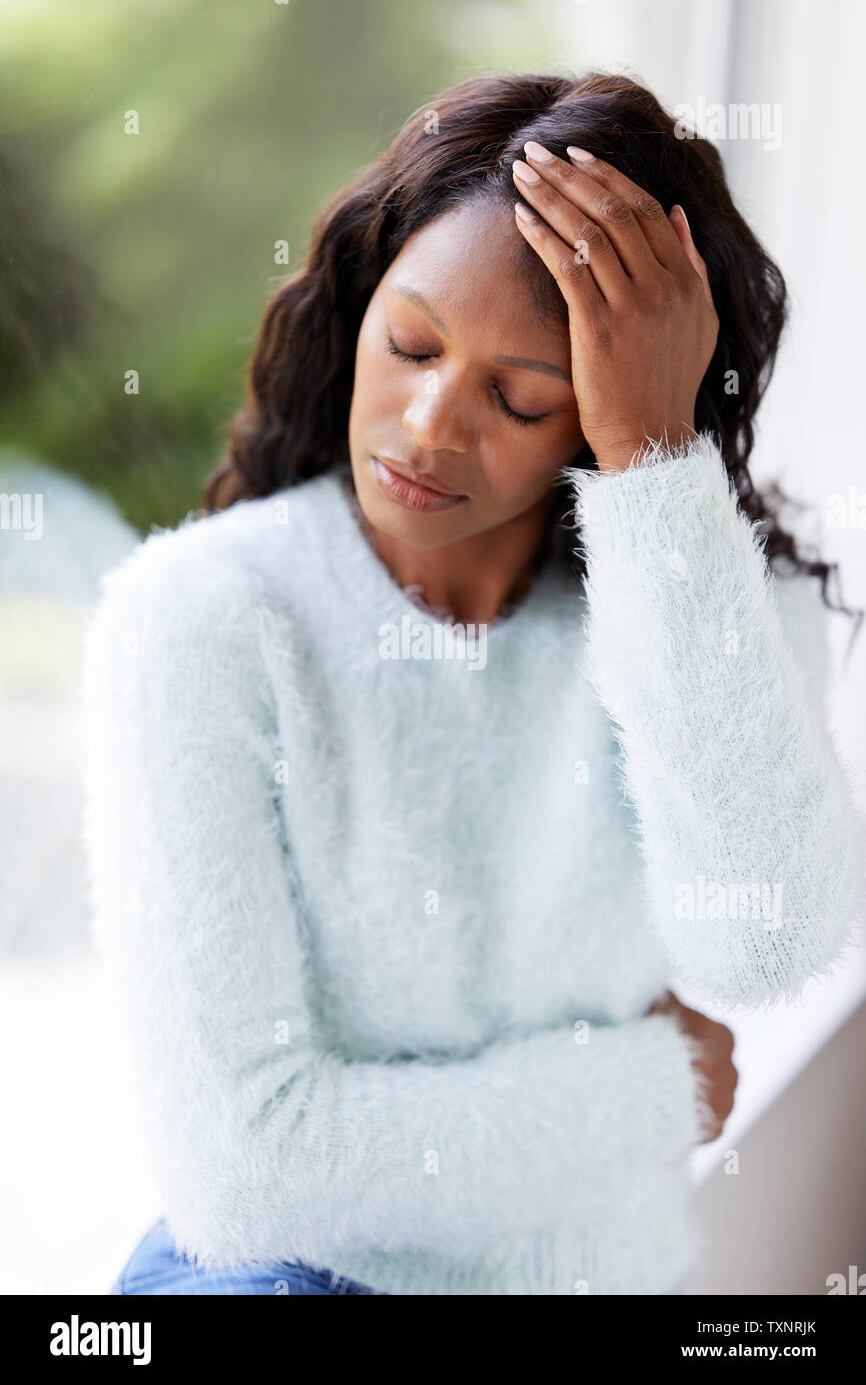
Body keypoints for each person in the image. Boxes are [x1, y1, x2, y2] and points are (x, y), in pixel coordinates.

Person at [83, 70, 864, 1297]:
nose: (430, 425)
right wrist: (645, 1091)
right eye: (407, 344)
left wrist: (655, 469)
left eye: (520, 395)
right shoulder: (200, 617)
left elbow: (761, 939)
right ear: (357, 310)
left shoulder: (701, 596)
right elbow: (241, 1169)